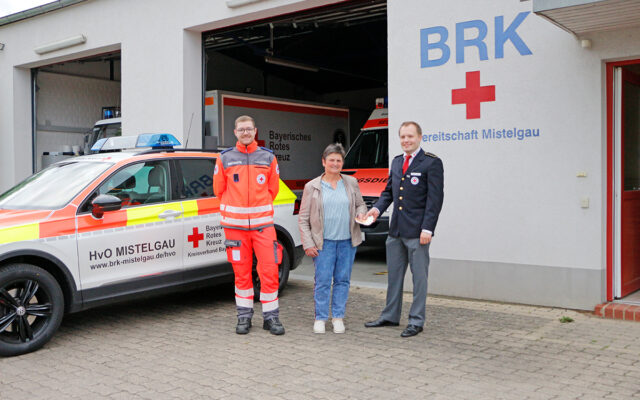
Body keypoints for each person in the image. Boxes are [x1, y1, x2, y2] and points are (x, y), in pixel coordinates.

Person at [364, 121, 444, 337]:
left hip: (418, 233)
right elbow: (389, 192)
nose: (406, 140)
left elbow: (434, 200)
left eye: (410, 136)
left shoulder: (431, 163)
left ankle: (416, 321)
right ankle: (390, 316)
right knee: (394, 277)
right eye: (403, 137)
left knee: (419, 279)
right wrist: (376, 211)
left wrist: (428, 229)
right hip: (396, 231)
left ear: (419, 137)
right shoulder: (398, 162)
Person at [213, 115, 285, 335]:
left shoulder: (268, 157)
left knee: (270, 271)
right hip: (235, 228)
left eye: (249, 129)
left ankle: (271, 318)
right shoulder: (224, 158)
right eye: (241, 129)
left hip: (263, 226)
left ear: (255, 131)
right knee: (242, 273)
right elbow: (218, 190)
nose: (245, 133)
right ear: (235, 132)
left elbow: (273, 190)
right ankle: (244, 317)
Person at [298, 143, 367, 334]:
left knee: (343, 281)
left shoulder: (351, 183)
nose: (335, 164)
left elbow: (361, 205)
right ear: (323, 162)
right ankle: (320, 318)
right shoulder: (311, 186)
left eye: (339, 160)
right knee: (322, 281)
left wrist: (362, 214)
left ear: (342, 162)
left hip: (347, 241)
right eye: (331, 160)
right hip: (323, 243)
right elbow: (303, 219)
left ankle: (338, 317)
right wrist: (308, 243)